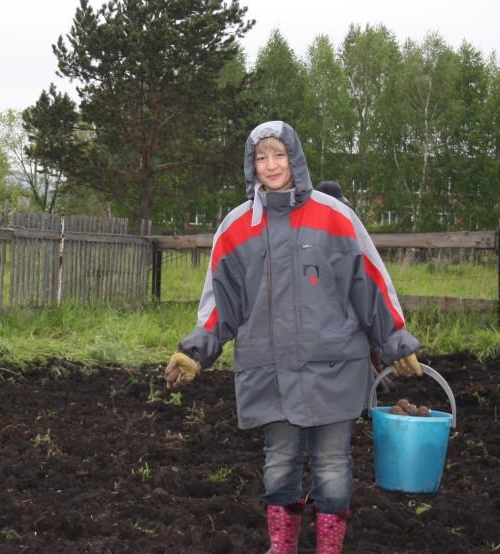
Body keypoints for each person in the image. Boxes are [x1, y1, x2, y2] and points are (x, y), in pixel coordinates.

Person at [164, 121, 422, 554]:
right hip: (271, 371)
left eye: (279, 155)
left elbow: (369, 284)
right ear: (251, 166)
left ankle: (328, 549)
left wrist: (394, 340)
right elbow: (220, 304)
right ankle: (281, 547)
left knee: (333, 464)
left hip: (334, 367)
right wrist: (195, 352)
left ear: (294, 159)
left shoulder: (335, 215)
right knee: (280, 463)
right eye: (261, 158)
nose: (271, 165)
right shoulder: (235, 227)